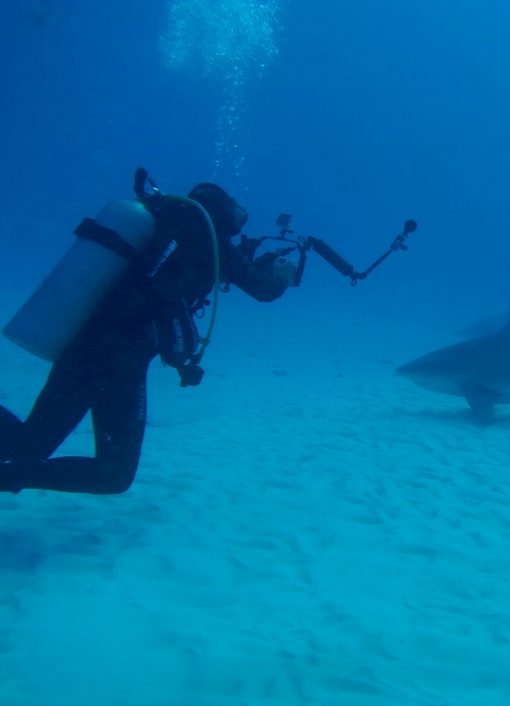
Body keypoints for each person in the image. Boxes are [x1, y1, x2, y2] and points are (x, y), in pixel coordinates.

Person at [0, 176, 295, 494]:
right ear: (222, 213)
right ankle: (9, 477)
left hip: (83, 346)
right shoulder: (207, 236)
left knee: (27, 448)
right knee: (111, 475)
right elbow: (261, 289)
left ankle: (13, 474)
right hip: (120, 363)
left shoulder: (163, 226)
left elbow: (165, 296)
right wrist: (282, 276)